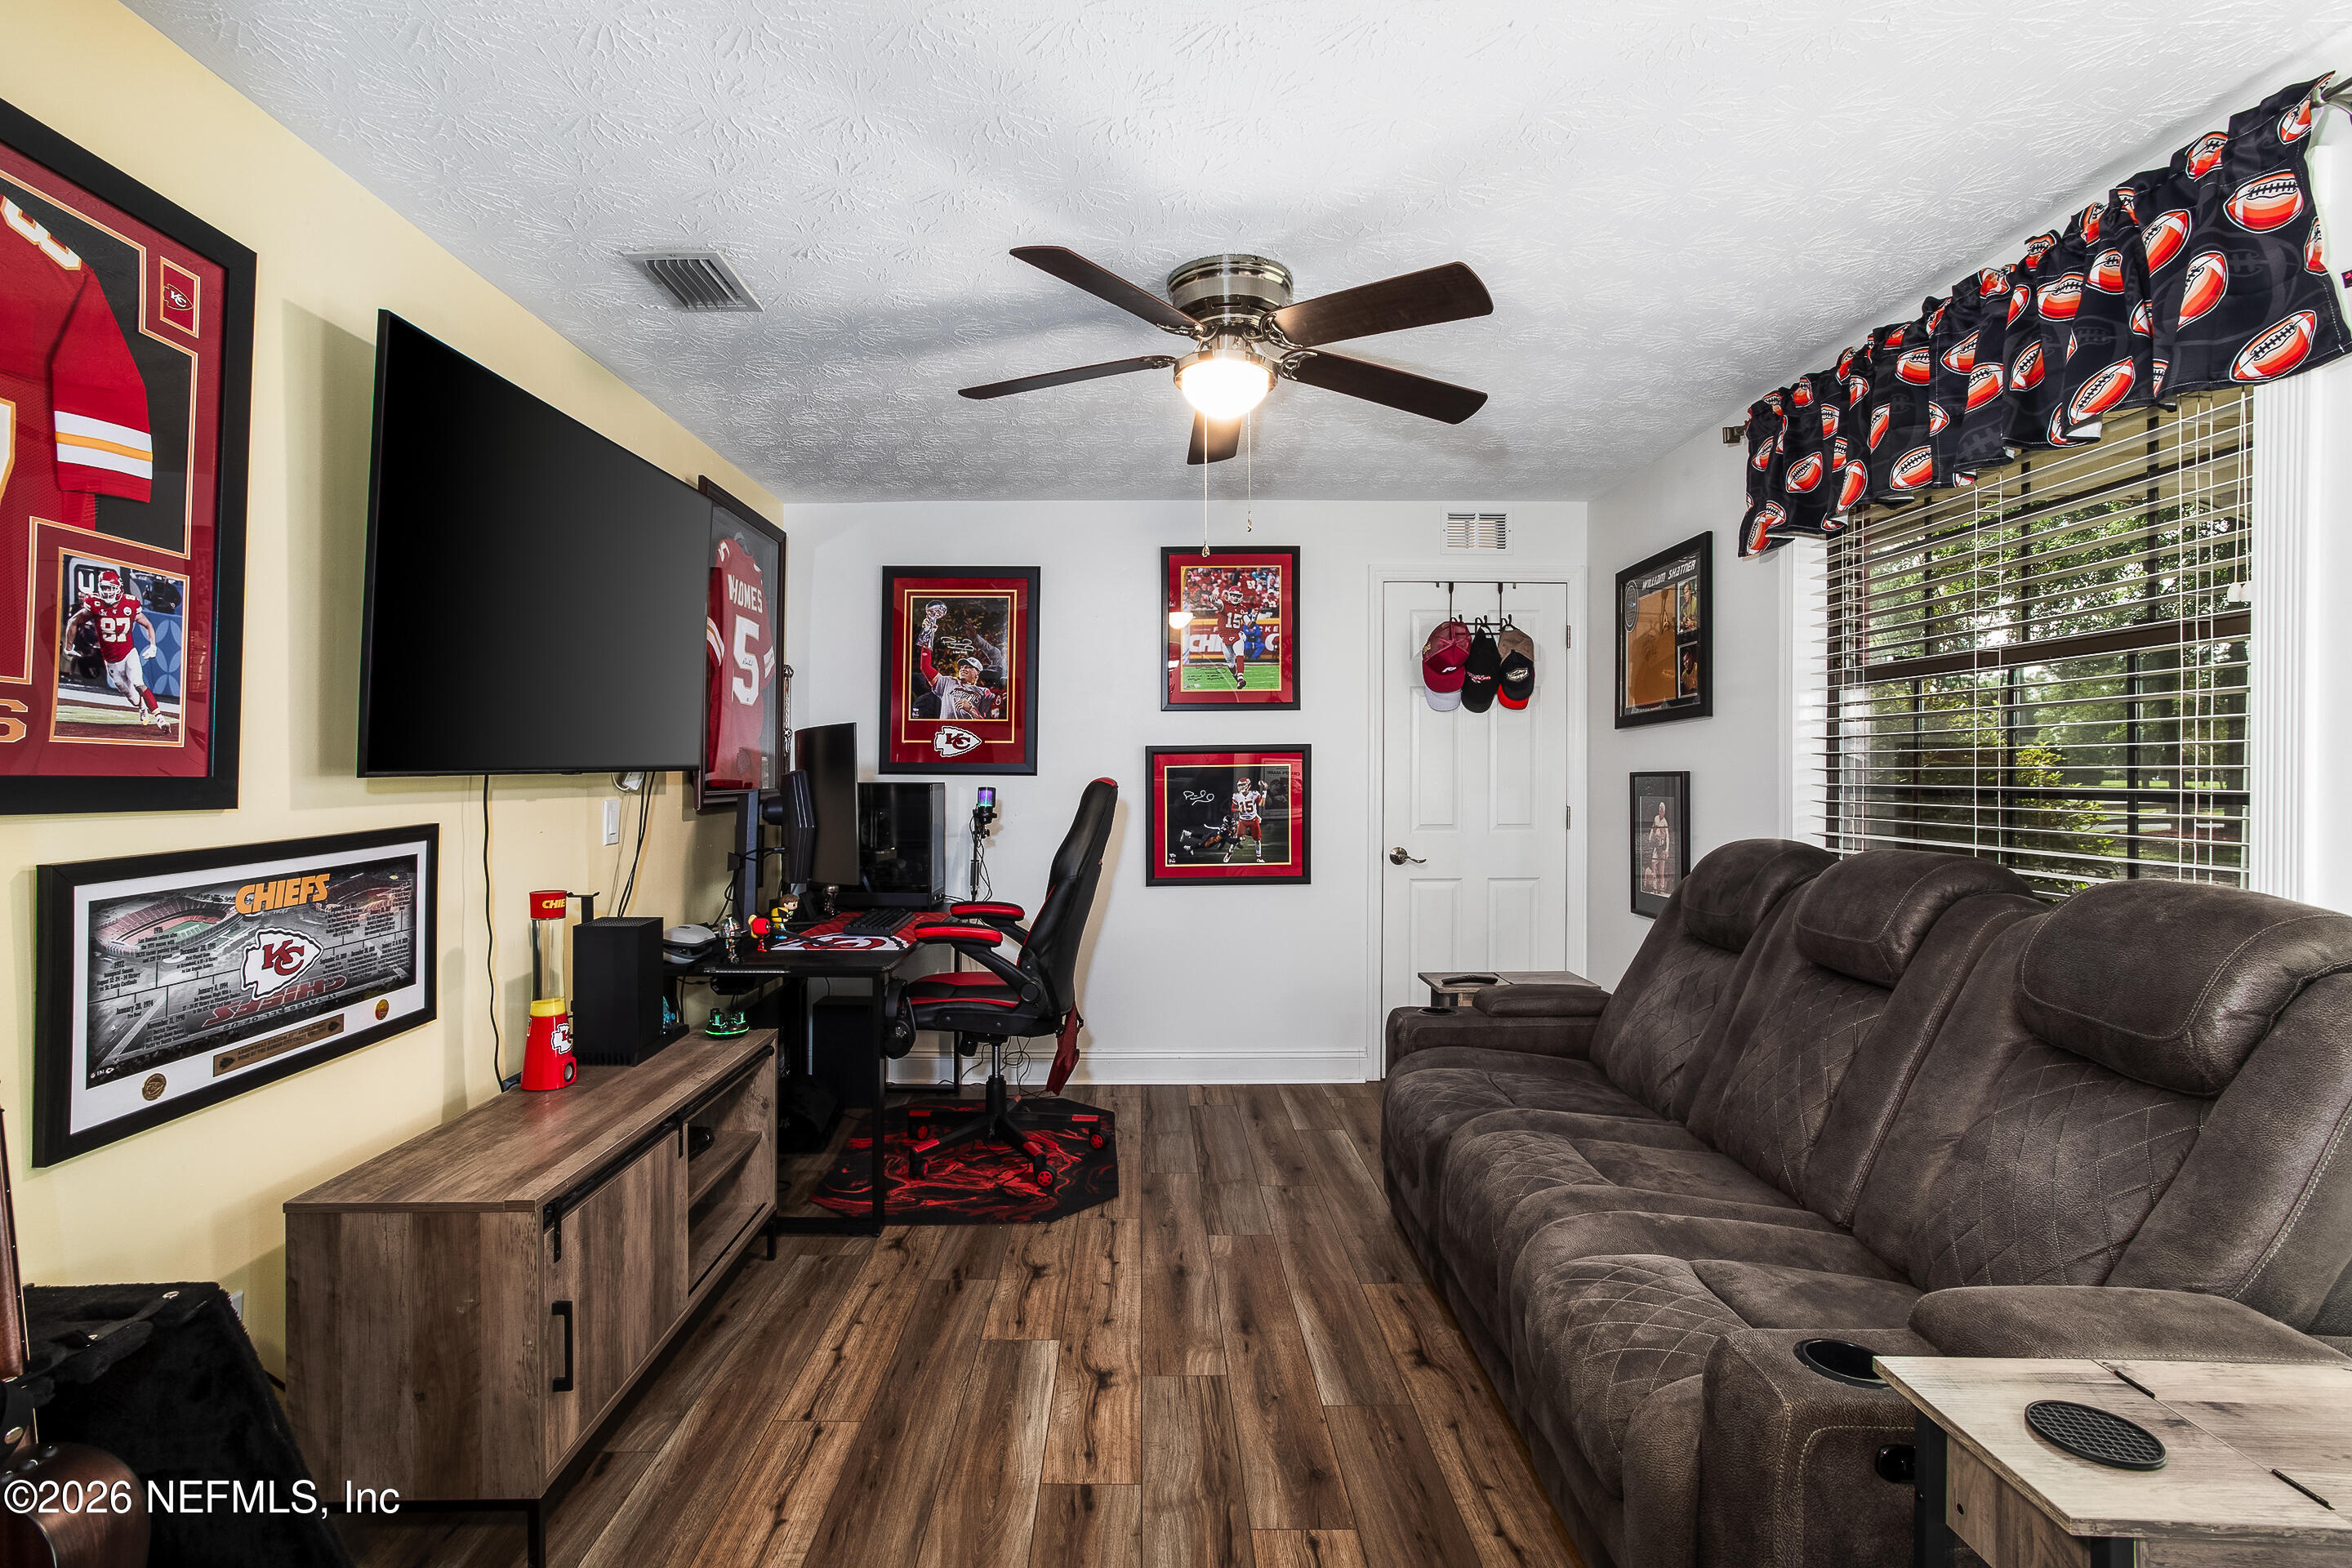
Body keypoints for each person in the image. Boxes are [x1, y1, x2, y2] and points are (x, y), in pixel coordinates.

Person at [60, 569, 163, 726]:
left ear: (119, 587)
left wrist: (153, 645)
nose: (107, 592)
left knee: (138, 683)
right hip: (111, 660)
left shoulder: (130, 602)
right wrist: (68, 646)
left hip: (129, 653)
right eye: (104, 588)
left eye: (110, 588)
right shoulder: (94, 603)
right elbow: (74, 621)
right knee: (131, 696)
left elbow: (148, 624)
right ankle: (142, 706)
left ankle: (159, 719)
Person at [917, 600, 1003, 720]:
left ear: (977, 672)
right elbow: (925, 667)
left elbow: (988, 724)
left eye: (968, 667)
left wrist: (971, 710)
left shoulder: (984, 692)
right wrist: (928, 633)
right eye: (962, 666)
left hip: (971, 736)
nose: (963, 668)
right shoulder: (947, 682)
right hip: (946, 734)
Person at [1227, 775, 1265, 862]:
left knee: (1257, 840)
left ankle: (1259, 857)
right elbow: (1232, 809)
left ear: (1248, 785)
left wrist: (1265, 792)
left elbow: (1261, 805)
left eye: (1242, 785)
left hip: (1253, 820)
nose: (1240, 787)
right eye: (1239, 785)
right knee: (1237, 839)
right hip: (1242, 820)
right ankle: (1229, 853)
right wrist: (1238, 810)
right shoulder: (1236, 796)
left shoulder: (1254, 794)